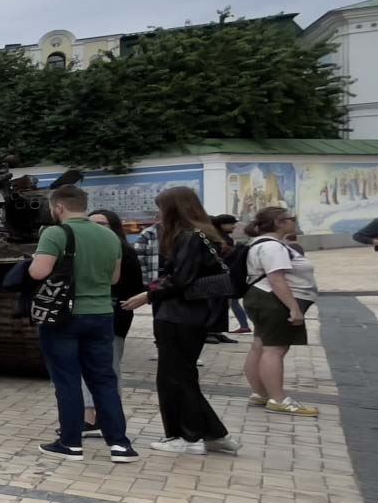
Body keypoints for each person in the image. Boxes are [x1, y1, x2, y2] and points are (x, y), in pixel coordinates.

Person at [122, 187, 239, 456]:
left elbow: (180, 279)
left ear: (173, 209)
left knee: (173, 377)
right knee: (182, 375)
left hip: (177, 314)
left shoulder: (188, 237)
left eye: (161, 208)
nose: (158, 214)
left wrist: (147, 294)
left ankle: (187, 437)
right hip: (193, 314)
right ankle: (213, 433)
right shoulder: (203, 233)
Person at [28, 186, 138, 463]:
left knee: (67, 381)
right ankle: (120, 445)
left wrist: (31, 264)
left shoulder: (56, 233)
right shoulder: (109, 235)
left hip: (63, 317)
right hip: (102, 315)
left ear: (58, 207)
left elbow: (39, 271)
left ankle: (70, 442)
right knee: (104, 380)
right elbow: (114, 279)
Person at [240, 208, 318, 417]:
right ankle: (278, 398)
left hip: (260, 298)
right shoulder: (273, 247)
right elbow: (277, 279)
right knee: (274, 350)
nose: (295, 222)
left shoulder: (261, 244)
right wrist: (293, 308)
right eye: (292, 219)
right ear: (280, 222)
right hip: (272, 301)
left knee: (260, 346)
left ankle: (260, 393)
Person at [84, 209, 144, 437]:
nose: (97, 228)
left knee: (109, 368)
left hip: (113, 315)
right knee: (86, 367)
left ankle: (108, 419)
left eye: (102, 224)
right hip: (87, 314)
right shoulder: (83, 249)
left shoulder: (124, 251)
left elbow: (134, 288)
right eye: (92, 224)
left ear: (114, 227)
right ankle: (89, 419)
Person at [207, 215, 245, 343]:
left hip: (224, 276)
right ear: (221, 224)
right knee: (213, 305)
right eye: (231, 224)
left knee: (222, 305)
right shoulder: (212, 237)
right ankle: (209, 332)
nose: (234, 226)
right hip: (213, 276)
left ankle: (218, 331)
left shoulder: (224, 237)